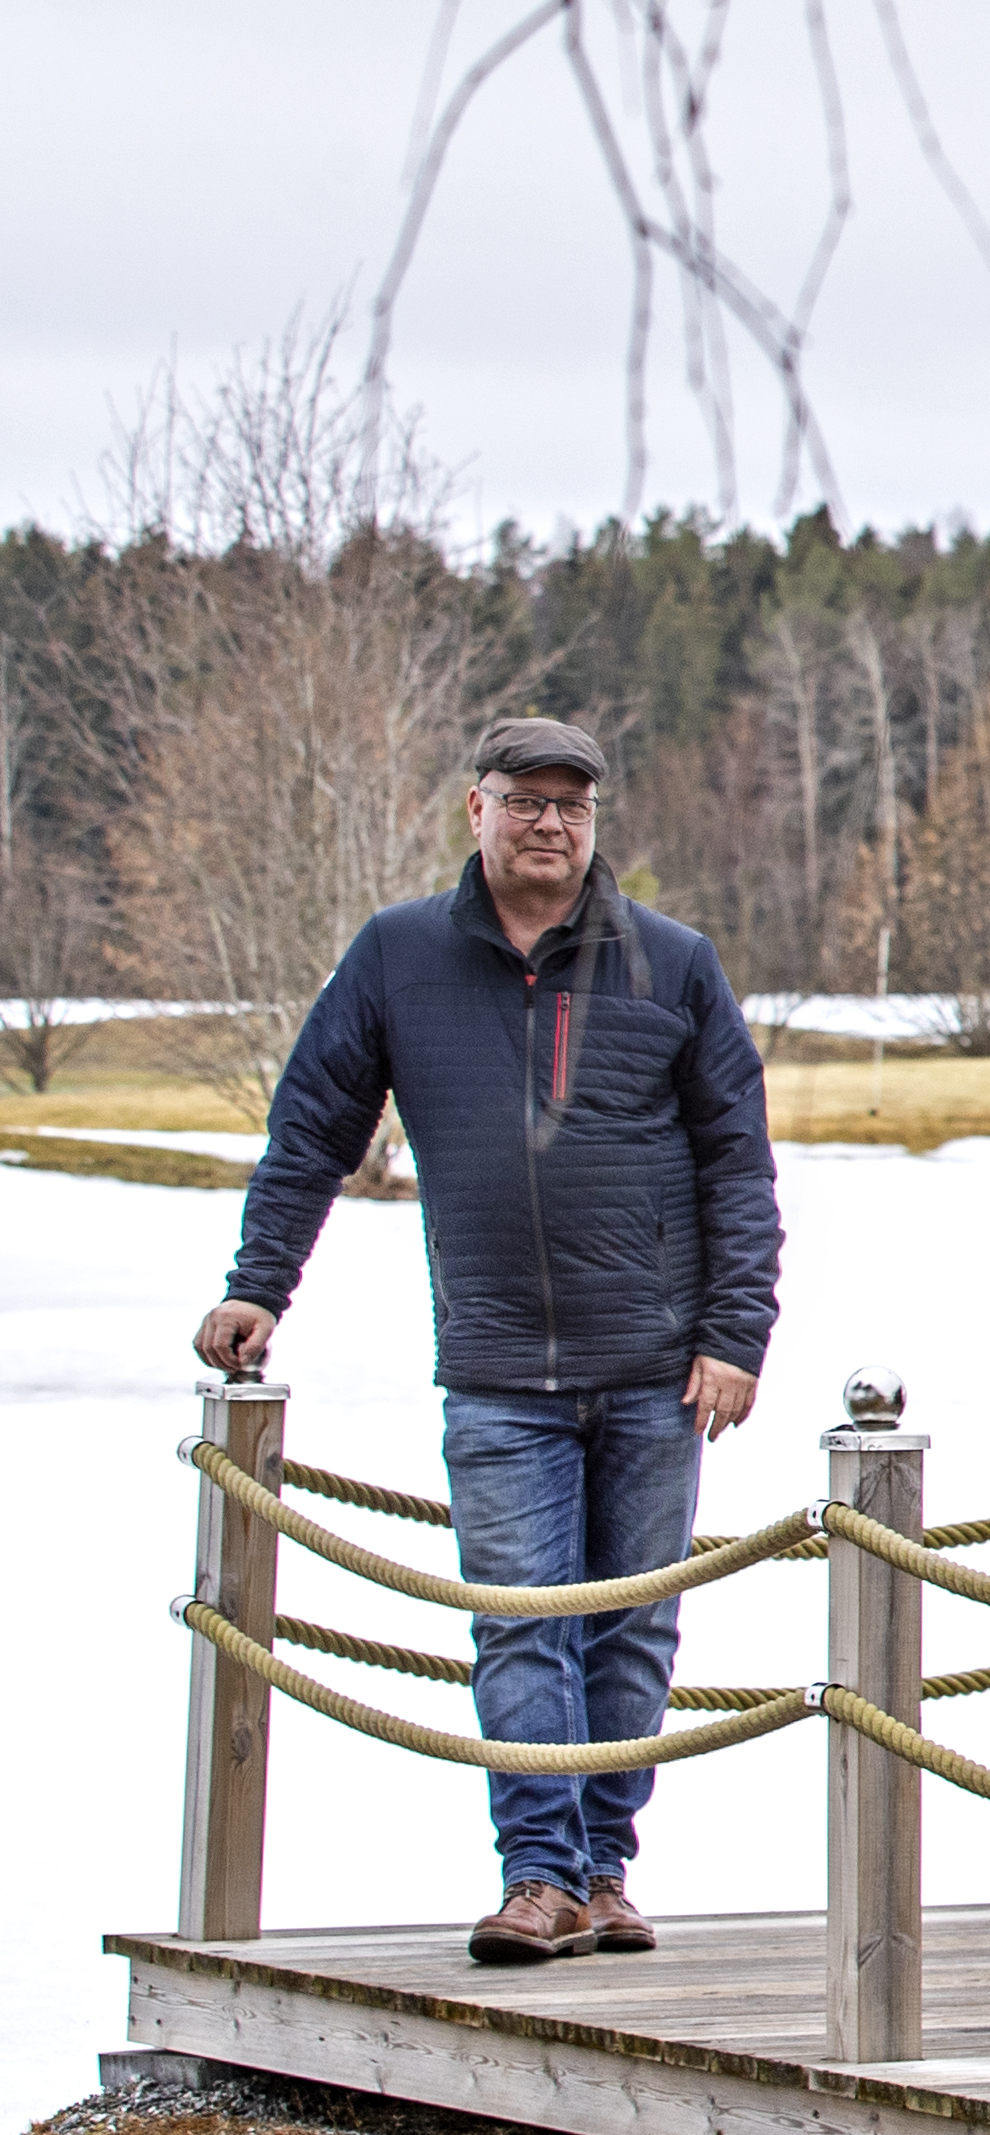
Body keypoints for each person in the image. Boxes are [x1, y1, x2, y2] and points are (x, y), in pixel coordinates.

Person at [194, 719, 784, 1969]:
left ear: (595, 821)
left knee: (630, 1628)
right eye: (526, 801)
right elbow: (313, 1132)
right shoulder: (398, 956)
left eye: (573, 805)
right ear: (477, 808)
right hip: (499, 1370)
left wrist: (736, 1333)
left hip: (655, 1367)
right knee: (520, 1620)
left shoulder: (670, 963)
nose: (550, 824)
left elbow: (739, 1160)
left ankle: (604, 1869)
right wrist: (259, 1287)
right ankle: (539, 1876)